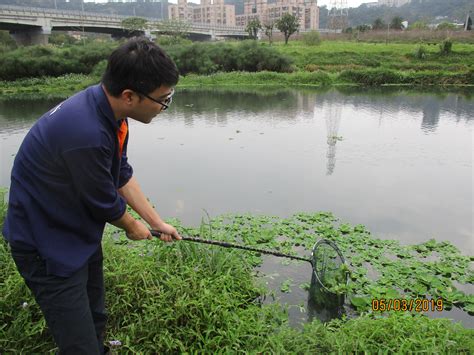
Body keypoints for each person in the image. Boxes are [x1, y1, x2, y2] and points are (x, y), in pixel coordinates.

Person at [2, 37, 182, 354]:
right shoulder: (85, 132)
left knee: (95, 313)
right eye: (162, 100)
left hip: (74, 231)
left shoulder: (111, 114)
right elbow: (103, 202)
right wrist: (133, 227)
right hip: (46, 244)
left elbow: (120, 175)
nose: (164, 107)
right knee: (78, 342)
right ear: (130, 95)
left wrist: (156, 221)